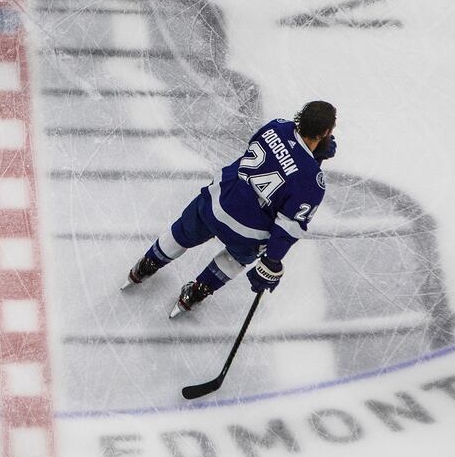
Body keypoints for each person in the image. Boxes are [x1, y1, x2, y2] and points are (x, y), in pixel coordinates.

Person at [123, 101, 338, 317]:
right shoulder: (313, 181)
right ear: (326, 132)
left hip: (219, 202)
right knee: (234, 259)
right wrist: (272, 260)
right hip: (248, 232)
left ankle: (147, 265)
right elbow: (288, 226)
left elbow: (277, 159)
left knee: (183, 231)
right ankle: (196, 293)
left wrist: (311, 155)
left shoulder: (275, 127)